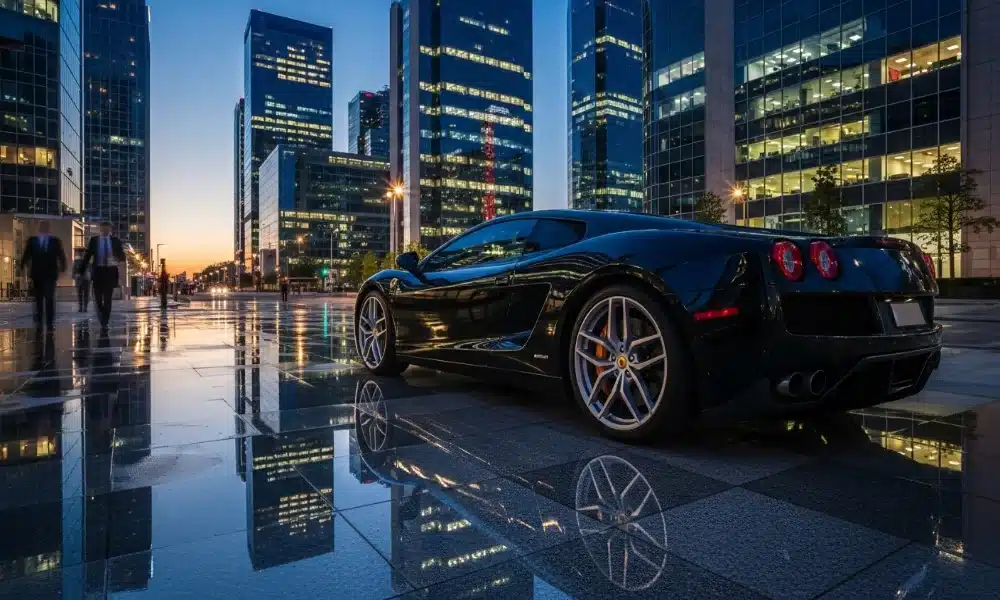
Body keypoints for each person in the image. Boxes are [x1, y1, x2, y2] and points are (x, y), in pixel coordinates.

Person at [19, 220, 67, 330]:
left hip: (50, 274)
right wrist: (22, 267)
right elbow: (26, 255)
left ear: (49, 228)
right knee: (38, 298)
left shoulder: (55, 241)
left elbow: (61, 256)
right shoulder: (32, 241)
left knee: (50, 298)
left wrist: (63, 268)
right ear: (39, 228)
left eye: (46, 226)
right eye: (42, 226)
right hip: (37, 274)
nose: (44, 228)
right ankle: (40, 320)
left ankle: (50, 322)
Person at [79, 221, 126, 331]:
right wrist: (81, 270)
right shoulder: (94, 240)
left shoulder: (115, 241)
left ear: (110, 229)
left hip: (110, 271)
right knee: (98, 298)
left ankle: (105, 321)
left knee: (108, 298)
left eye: (107, 228)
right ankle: (101, 314)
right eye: (103, 228)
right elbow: (87, 255)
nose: (105, 230)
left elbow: (122, 255)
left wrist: (119, 258)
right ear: (100, 229)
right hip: (98, 272)